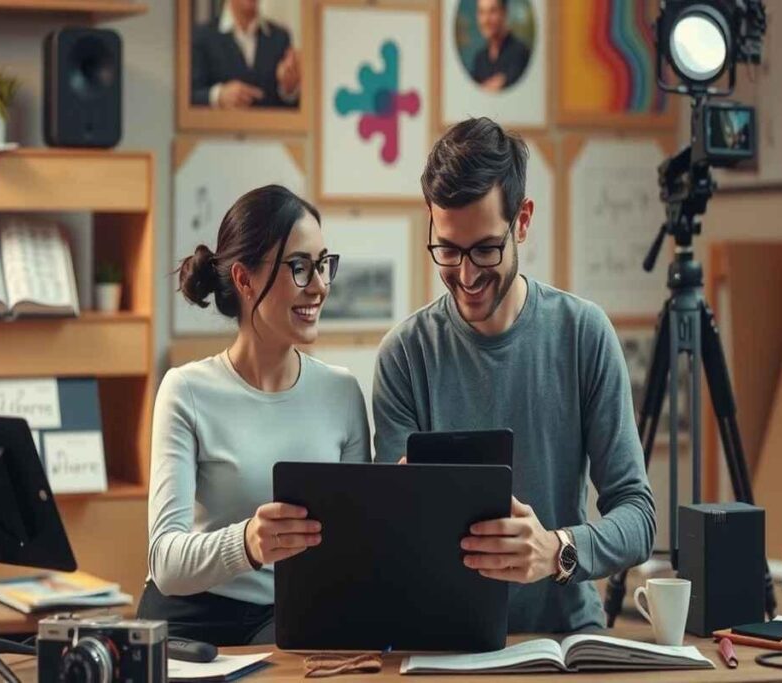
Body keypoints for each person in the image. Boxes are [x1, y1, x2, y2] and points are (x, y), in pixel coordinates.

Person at [373, 118, 656, 633]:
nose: (466, 275)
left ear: (522, 221)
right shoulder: (404, 354)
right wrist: (396, 507)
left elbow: (638, 516)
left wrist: (556, 550)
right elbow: (386, 540)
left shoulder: (584, 333)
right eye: (448, 250)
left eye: (485, 249)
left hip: (566, 634)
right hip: (441, 638)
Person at [138, 185, 370, 645]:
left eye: (323, 265)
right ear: (244, 280)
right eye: (300, 268)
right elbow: (165, 561)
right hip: (187, 619)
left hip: (286, 620)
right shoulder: (185, 391)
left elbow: (355, 551)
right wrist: (247, 543)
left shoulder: (342, 392)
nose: (320, 285)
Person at [191, 0, 301, 109]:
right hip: (219, 125)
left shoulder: (280, 37)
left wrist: (289, 89)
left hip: (268, 125)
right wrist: (219, 96)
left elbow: (292, 107)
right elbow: (189, 96)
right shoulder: (202, 37)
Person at [470, 0, 530, 92]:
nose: (486, 20)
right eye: (481, 12)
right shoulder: (479, 59)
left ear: (504, 13)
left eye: (492, 11)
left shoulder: (521, 54)